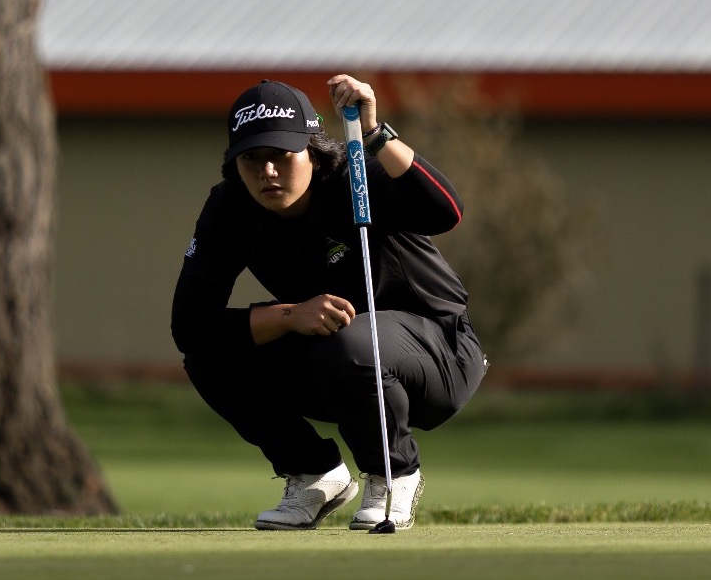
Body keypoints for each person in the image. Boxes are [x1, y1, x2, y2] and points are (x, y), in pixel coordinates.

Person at [171, 75, 486, 530]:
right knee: (210, 355)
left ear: (312, 152)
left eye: (281, 155)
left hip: (440, 352)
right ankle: (315, 473)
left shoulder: (355, 175)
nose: (268, 172)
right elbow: (189, 324)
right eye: (252, 158)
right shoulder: (230, 208)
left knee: (352, 343)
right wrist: (289, 316)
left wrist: (377, 135)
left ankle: (394, 473)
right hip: (340, 360)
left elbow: (446, 211)